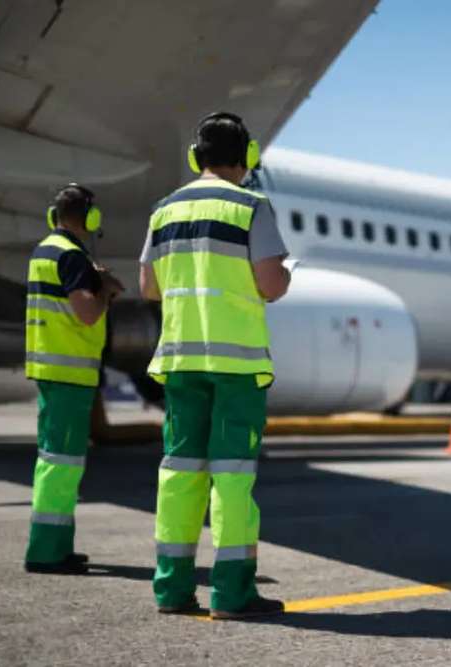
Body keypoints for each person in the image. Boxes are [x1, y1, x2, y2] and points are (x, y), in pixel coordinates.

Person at [139, 111, 291, 620]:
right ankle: (232, 593)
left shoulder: (164, 210)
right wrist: (283, 276)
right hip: (236, 365)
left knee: (179, 474)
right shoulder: (251, 206)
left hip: (181, 360)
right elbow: (271, 284)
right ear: (247, 156)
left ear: (194, 157)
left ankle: (171, 589)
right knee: (232, 478)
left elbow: (148, 287)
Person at [24, 184, 124, 574]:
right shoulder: (72, 256)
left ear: (54, 216)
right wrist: (107, 291)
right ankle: (46, 553)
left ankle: (57, 546)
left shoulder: (45, 250)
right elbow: (86, 313)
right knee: (61, 464)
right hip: (70, 373)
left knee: (57, 461)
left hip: (52, 369)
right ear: (90, 219)